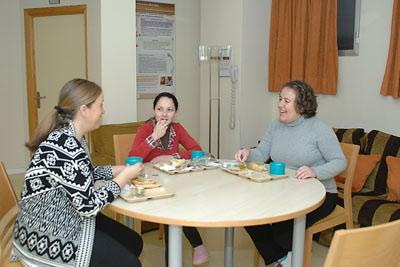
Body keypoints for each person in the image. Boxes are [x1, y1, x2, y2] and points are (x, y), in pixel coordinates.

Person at [11, 79, 144, 267]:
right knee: (131, 263)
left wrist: (119, 169)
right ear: (84, 110)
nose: (103, 111)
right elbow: (88, 207)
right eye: (100, 105)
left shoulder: (71, 138)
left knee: (133, 242)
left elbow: (82, 174)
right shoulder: (66, 147)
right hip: (45, 234)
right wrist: (123, 177)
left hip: (61, 217)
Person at [234, 80, 347, 267]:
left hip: (321, 194)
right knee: (249, 214)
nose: (279, 104)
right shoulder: (276, 125)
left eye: (286, 101)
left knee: (282, 227)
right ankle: (284, 258)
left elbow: (340, 161)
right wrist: (248, 152)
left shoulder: (319, 129)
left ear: (302, 106)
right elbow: (262, 154)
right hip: (284, 189)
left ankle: (285, 258)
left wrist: (315, 171)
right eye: (280, 99)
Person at [129, 92, 210, 266]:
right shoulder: (145, 130)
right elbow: (133, 157)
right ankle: (198, 246)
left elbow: (197, 151)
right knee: (172, 209)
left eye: (169, 110)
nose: (164, 114)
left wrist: (172, 156)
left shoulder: (177, 129)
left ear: (176, 112)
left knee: (176, 205)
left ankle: (195, 248)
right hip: (149, 183)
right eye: (160, 109)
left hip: (173, 181)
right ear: (153, 110)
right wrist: (154, 137)